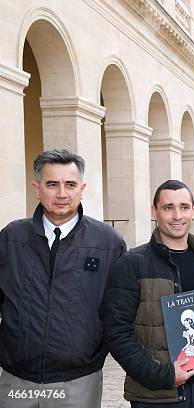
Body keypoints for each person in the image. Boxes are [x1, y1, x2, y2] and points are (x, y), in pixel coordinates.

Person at [0, 149, 126, 408]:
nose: (61, 193)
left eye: (70, 184)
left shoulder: (108, 242)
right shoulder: (11, 238)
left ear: (82, 188)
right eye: (52, 184)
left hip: (79, 381)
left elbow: (119, 310)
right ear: (36, 188)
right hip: (16, 380)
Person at [103, 180, 194, 407]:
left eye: (184, 207)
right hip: (157, 396)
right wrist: (163, 375)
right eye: (168, 207)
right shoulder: (132, 265)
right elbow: (116, 332)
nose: (177, 215)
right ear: (154, 211)